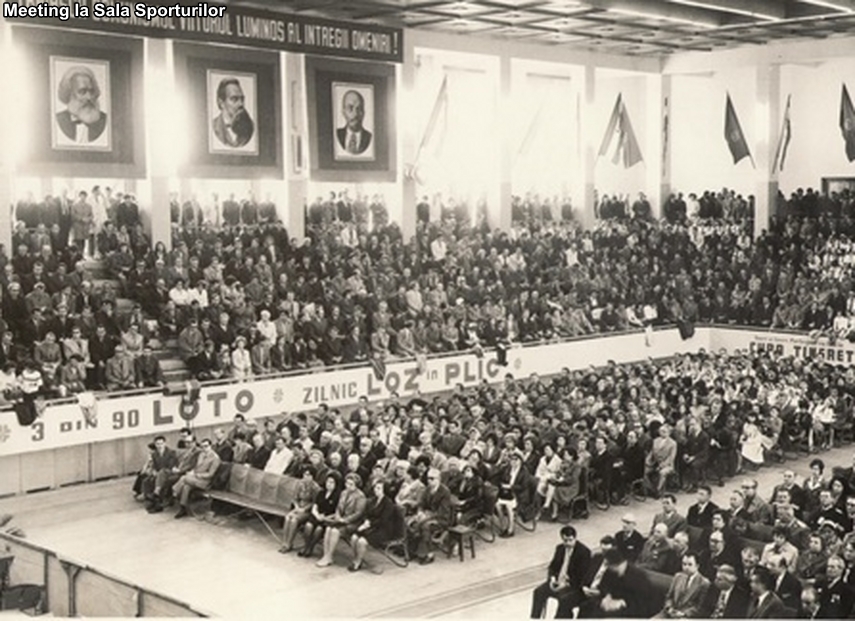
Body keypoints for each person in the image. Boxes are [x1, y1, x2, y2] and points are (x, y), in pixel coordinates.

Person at [530, 525, 592, 619]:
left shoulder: (584, 552)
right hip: (557, 582)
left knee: (564, 600)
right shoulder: (560, 548)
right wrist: (552, 578)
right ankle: (535, 618)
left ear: (575, 538)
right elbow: (552, 566)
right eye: (565, 540)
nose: (568, 543)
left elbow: (582, 575)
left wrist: (566, 583)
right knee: (538, 592)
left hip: (572, 585)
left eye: (570, 540)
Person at [581, 548, 655, 618]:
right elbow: (604, 586)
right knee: (585, 608)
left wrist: (621, 603)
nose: (607, 567)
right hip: (610, 602)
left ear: (614, 564)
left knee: (600, 615)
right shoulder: (611, 571)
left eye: (608, 564)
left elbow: (642, 601)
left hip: (631, 608)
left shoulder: (639, 576)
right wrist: (608, 596)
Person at [316, 473, 366, 568]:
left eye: (351, 484)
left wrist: (345, 520)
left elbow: (358, 513)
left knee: (335, 531)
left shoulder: (360, 496)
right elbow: (338, 507)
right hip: (341, 519)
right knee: (328, 529)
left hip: (353, 522)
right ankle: (327, 555)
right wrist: (338, 516)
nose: (348, 486)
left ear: (356, 485)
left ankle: (329, 555)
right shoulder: (343, 492)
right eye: (347, 483)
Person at [349, 479, 399, 572]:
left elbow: (384, 520)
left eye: (379, 488)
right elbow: (366, 514)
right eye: (375, 487)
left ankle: (358, 562)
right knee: (354, 537)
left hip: (383, 529)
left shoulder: (388, 503)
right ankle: (357, 558)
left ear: (384, 490)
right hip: (370, 526)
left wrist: (369, 524)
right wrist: (366, 522)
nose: (376, 490)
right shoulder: (372, 500)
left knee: (362, 541)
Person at [55, 65, 108, 144]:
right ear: (69, 94)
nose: (89, 97)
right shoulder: (58, 119)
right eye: (82, 91)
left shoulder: (104, 120)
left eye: (91, 91)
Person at [172, 438, 221, 519]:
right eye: (202, 447)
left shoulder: (215, 458)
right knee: (186, 487)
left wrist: (197, 475)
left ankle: (175, 491)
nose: (204, 448)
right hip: (195, 478)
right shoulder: (201, 455)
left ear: (211, 446)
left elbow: (211, 474)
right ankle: (182, 508)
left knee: (184, 478)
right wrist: (192, 472)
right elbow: (196, 467)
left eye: (206, 446)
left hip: (205, 482)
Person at [279, 465, 321, 554]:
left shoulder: (315, 488)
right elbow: (294, 497)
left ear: (313, 477)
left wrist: (304, 509)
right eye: (305, 475)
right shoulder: (300, 484)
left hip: (307, 510)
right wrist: (297, 507)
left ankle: (289, 543)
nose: (306, 477)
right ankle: (284, 542)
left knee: (294, 520)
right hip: (298, 506)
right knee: (288, 517)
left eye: (309, 475)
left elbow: (314, 502)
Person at [655, 552, 710, 618]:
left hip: (686, 616)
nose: (686, 567)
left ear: (697, 566)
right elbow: (669, 596)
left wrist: (683, 614)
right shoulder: (678, 576)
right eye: (684, 564)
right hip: (669, 613)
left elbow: (699, 607)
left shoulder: (704, 583)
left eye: (690, 565)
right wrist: (669, 608)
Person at [211, 78, 254, 148]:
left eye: (242, 99)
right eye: (234, 99)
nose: (241, 104)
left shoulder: (251, 126)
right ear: (221, 103)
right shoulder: (213, 126)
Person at [336, 89, 372, 155]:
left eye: (359, 108)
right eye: (350, 108)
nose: (355, 114)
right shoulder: (336, 135)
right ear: (343, 112)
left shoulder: (370, 138)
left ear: (363, 112)